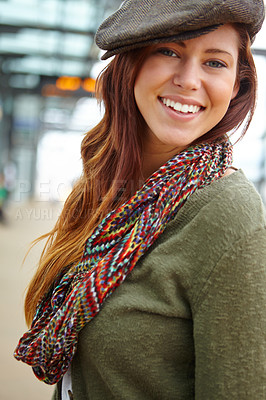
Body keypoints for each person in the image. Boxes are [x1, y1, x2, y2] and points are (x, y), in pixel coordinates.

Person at [14, 0, 266, 399]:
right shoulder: (104, 188)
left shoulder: (229, 214)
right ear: (131, 64)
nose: (188, 80)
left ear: (237, 85)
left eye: (215, 62)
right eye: (169, 51)